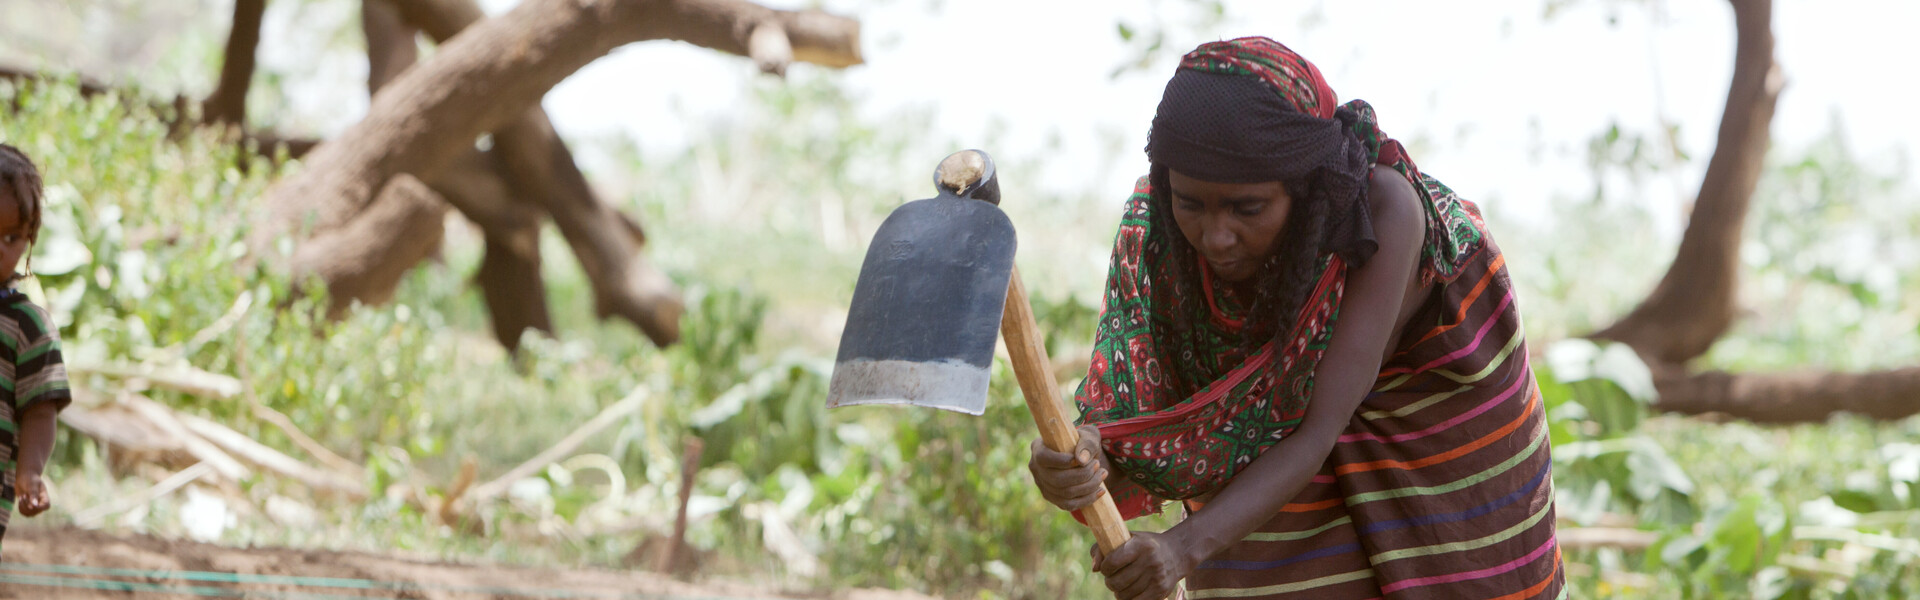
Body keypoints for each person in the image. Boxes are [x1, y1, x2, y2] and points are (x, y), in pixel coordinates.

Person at [1028, 37, 1563, 599]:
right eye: (1191, 203)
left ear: (1304, 186)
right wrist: (1083, 458)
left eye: (1247, 208)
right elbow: (1137, 418)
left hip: (1424, 414)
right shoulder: (1160, 235)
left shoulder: (1386, 211)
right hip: (1288, 438)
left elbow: (1315, 429)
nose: (1215, 235)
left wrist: (1182, 548)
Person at [0, 143, 71, 550]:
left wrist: (29, 472)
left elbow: (40, 410)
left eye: (12, 237)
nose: (0, 248)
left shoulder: (28, 327)